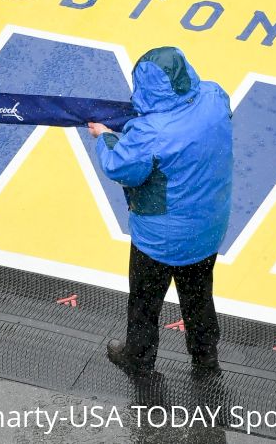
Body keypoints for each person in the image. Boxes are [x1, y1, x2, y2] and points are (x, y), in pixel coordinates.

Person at [87, 47, 233, 377]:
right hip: (209, 226)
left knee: (145, 302)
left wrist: (106, 138)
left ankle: (138, 358)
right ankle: (205, 358)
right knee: (198, 297)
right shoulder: (213, 96)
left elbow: (123, 169)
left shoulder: (149, 131)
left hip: (160, 238)